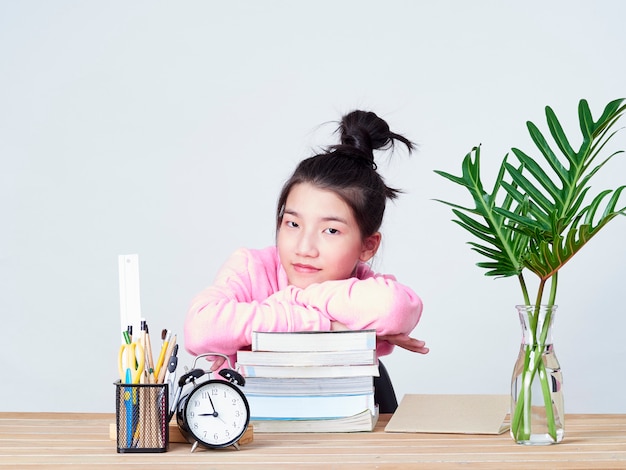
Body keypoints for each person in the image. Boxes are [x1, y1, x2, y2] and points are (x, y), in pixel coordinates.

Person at [184, 110, 428, 410]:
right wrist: (327, 324)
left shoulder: (364, 285)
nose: (304, 247)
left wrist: (292, 298)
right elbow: (200, 329)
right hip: (249, 433)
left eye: (331, 230)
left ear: (367, 245)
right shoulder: (251, 267)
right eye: (293, 224)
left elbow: (395, 308)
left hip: (340, 430)